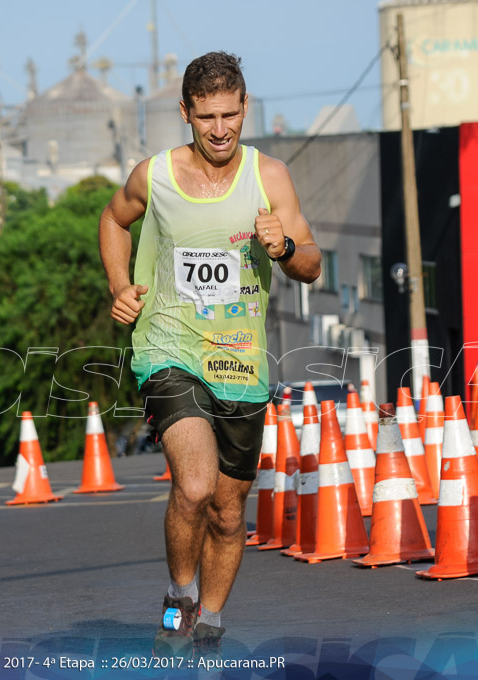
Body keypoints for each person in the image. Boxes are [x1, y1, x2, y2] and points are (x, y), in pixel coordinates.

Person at [99, 51, 321, 657]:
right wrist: (121, 286)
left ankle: (212, 622)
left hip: (241, 361)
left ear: (246, 108)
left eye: (230, 114)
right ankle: (180, 594)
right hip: (167, 348)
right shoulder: (156, 176)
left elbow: (312, 264)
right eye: (206, 117)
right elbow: (114, 221)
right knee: (194, 485)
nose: (220, 129)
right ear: (185, 114)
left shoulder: (269, 177)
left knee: (228, 511)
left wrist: (284, 247)